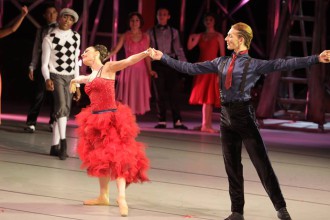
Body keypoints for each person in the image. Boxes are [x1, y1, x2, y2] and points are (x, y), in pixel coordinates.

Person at [149, 22, 330, 220]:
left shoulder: (253, 64)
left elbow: (283, 64)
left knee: (262, 165)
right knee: (232, 166)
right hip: (226, 117)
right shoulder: (221, 62)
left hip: (244, 116)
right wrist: (163, 57)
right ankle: (237, 212)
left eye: (230, 36)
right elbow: (190, 68)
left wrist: (316, 58)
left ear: (241, 39)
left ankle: (281, 209)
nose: (226, 38)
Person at [69, 45, 150, 217]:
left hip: (111, 119)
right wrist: (73, 82)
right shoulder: (91, 75)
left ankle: (121, 197)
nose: (83, 54)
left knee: (117, 157)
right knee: (101, 159)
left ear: (97, 54)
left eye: (87, 51)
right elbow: (82, 78)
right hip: (95, 121)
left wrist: (144, 53)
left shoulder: (108, 68)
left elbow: (128, 61)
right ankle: (103, 195)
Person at [41, 8, 81, 160]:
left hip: (70, 77)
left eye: (71, 19)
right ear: (60, 18)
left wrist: (77, 85)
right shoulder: (49, 38)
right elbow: (44, 64)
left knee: (64, 111)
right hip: (56, 75)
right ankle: (64, 143)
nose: (67, 21)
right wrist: (47, 78)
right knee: (62, 107)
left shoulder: (76, 37)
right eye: (65, 17)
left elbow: (75, 62)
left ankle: (54, 146)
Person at [148, 8, 188, 129]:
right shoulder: (150, 32)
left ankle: (177, 121)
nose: (162, 16)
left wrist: (184, 65)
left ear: (168, 16)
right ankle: (162, 120)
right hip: (157, 63)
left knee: (174, 93)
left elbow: (178, 49)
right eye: (160, 14)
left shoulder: (173, 32)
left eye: (164, 14)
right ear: (156, 16)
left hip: (170, 63)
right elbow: (147, 50)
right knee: (159, 93)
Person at [108, 12, 155, 115]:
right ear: (129, 23)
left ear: (140, 22)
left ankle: (132, 119)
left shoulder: (146, 36)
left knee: (137, 94)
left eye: (137, 20)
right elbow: (115, 49)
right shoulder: (125, 35)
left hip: (141, 70)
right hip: (128, 69)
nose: (134, 23)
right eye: (132, 20)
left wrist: (150, 70)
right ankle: (126, 118)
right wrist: (104, 57)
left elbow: (147, 55)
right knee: (127, 96)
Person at [187, 12, 225, 133]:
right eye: (206, 20)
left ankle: (206, 124)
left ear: (214, 22)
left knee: (209, 97)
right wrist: (191, 37)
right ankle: (205, 124)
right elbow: (189, 47)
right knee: (205, 97)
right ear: (204, 22)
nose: (208, 22)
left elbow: (222, 56)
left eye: (211, 20)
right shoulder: (200, 35)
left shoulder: (218, 36)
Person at [24, 4, 58, 133]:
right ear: (44, 16)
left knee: (56, 96)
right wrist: (32, 66)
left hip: (57, 67)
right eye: (49, 13)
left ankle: (53, 121)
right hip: (44, 66)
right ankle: (31, 122)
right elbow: (36, 50)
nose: (52, 15)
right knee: (39, 95)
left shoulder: (62, 30)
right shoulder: (41, 30)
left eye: (54, 12)